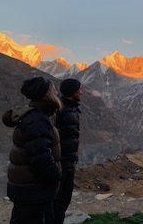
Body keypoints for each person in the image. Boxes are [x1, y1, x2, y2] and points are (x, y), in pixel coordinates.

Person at [2, 76, 63, 224]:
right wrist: (56, 176)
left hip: (28, 189)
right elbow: (40, 157)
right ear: (46, 95)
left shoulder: (36, 117)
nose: (56, 91)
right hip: (35, 190)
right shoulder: (37, 120)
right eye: (53, 88)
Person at [53, 78, 82, 224]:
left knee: (64, 198)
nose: (81, 92)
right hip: (61, 162)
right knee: (57, 199)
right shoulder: (60, 108)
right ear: (73, 92)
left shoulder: (71, 107)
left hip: (69, 161)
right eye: (79, 89)